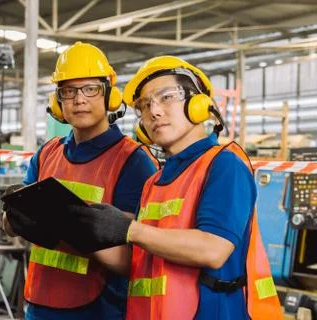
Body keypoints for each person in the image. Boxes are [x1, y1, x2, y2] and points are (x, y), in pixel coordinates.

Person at [59, 56, 283, 319]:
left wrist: (129, 229)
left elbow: (213, 249)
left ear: (198, 104)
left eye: (166, 97)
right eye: (144, 105)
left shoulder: (223, 164)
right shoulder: (155, 182)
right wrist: (74, 230)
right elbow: (136, 262)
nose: (154, 111)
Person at [3, 41, 157, 320]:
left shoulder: (133, 162)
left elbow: (136, 261)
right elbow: (11, 227)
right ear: (57, 100)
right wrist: (13, 218)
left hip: (99, 310)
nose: (79, 99)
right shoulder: (47, 153)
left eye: (90, 89)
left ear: (110, 96)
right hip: (39, 305)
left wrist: (77, 229)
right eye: (68, 91)